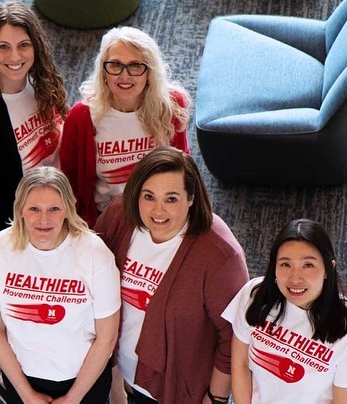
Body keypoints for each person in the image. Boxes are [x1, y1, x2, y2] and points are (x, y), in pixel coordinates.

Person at [94, 146, 249, 403]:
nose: (158, 211)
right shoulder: (120, 216)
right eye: (149, 196)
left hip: (173, 388)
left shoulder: (220, 255)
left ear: (191, 198)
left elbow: (234, 334)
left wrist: (217, 396)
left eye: (171, 199)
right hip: (114, 370)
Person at [0, 166, 121, 403]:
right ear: (20, 209)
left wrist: (73, 398)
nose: (43, 220)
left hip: (84, 381)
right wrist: (27, 394)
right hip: (23, 378)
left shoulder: (95, 253)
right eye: (34, 209)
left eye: (54, 209)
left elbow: (106, 338)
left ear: (68, 208)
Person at [222, 219, 347, 403]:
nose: (295, 278)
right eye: (285, 264)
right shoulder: (255, 295)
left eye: (308, 265)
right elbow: (240, 365)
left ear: (329, 269)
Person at [61, 27, 191, 228]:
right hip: (109, 217)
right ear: (104, 71)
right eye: (115, 65)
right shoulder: (82, 117)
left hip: (160, 215)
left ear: (150, 72)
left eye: (135, 66)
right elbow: (71, 182)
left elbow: (182, 168)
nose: (125, 75)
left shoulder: (171, 106)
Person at [0, 2, 68, 234]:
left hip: (58, 207)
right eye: (3, 47)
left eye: (23, 45)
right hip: (19, 227)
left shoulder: (44, 85)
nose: (15, 56)